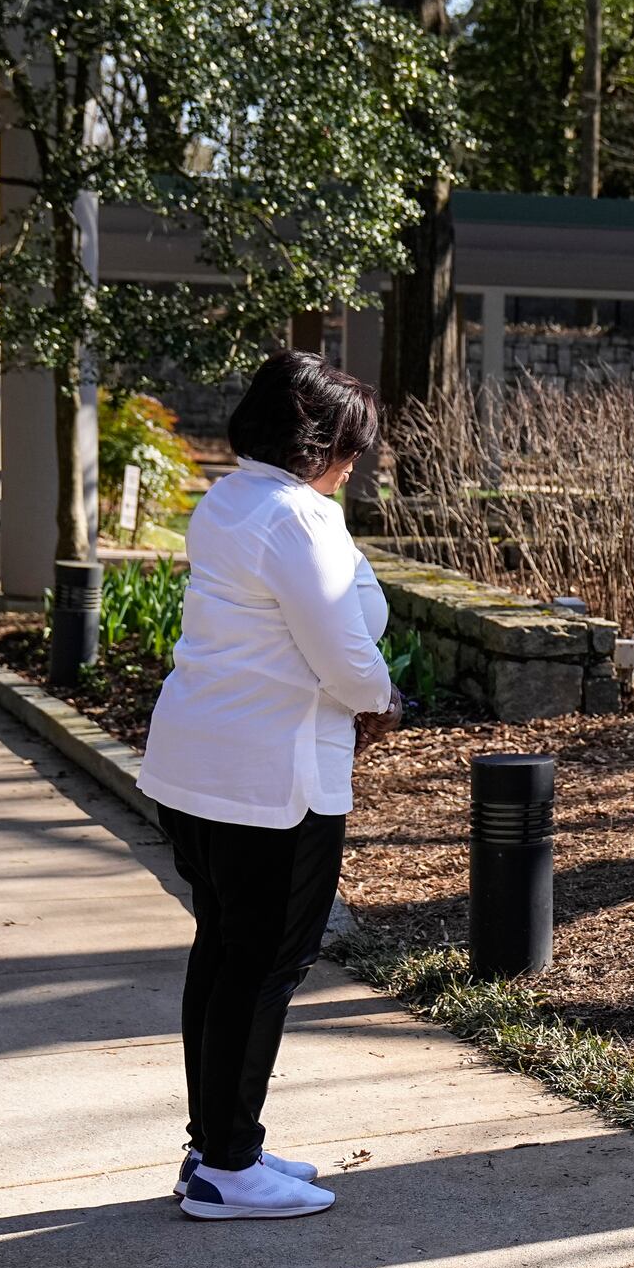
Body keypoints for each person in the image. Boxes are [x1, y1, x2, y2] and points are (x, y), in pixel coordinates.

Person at [139, 349, 401, 1220]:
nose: (354, 466)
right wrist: (381, 696)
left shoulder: (231, 498)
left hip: (200, 764)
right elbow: (342, 655)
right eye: (351, 448)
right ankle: (225, 1167)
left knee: (223, 951)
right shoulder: (299, 518)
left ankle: (219, 1145)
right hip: (270, 780)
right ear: (318, 441)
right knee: (264, 965)